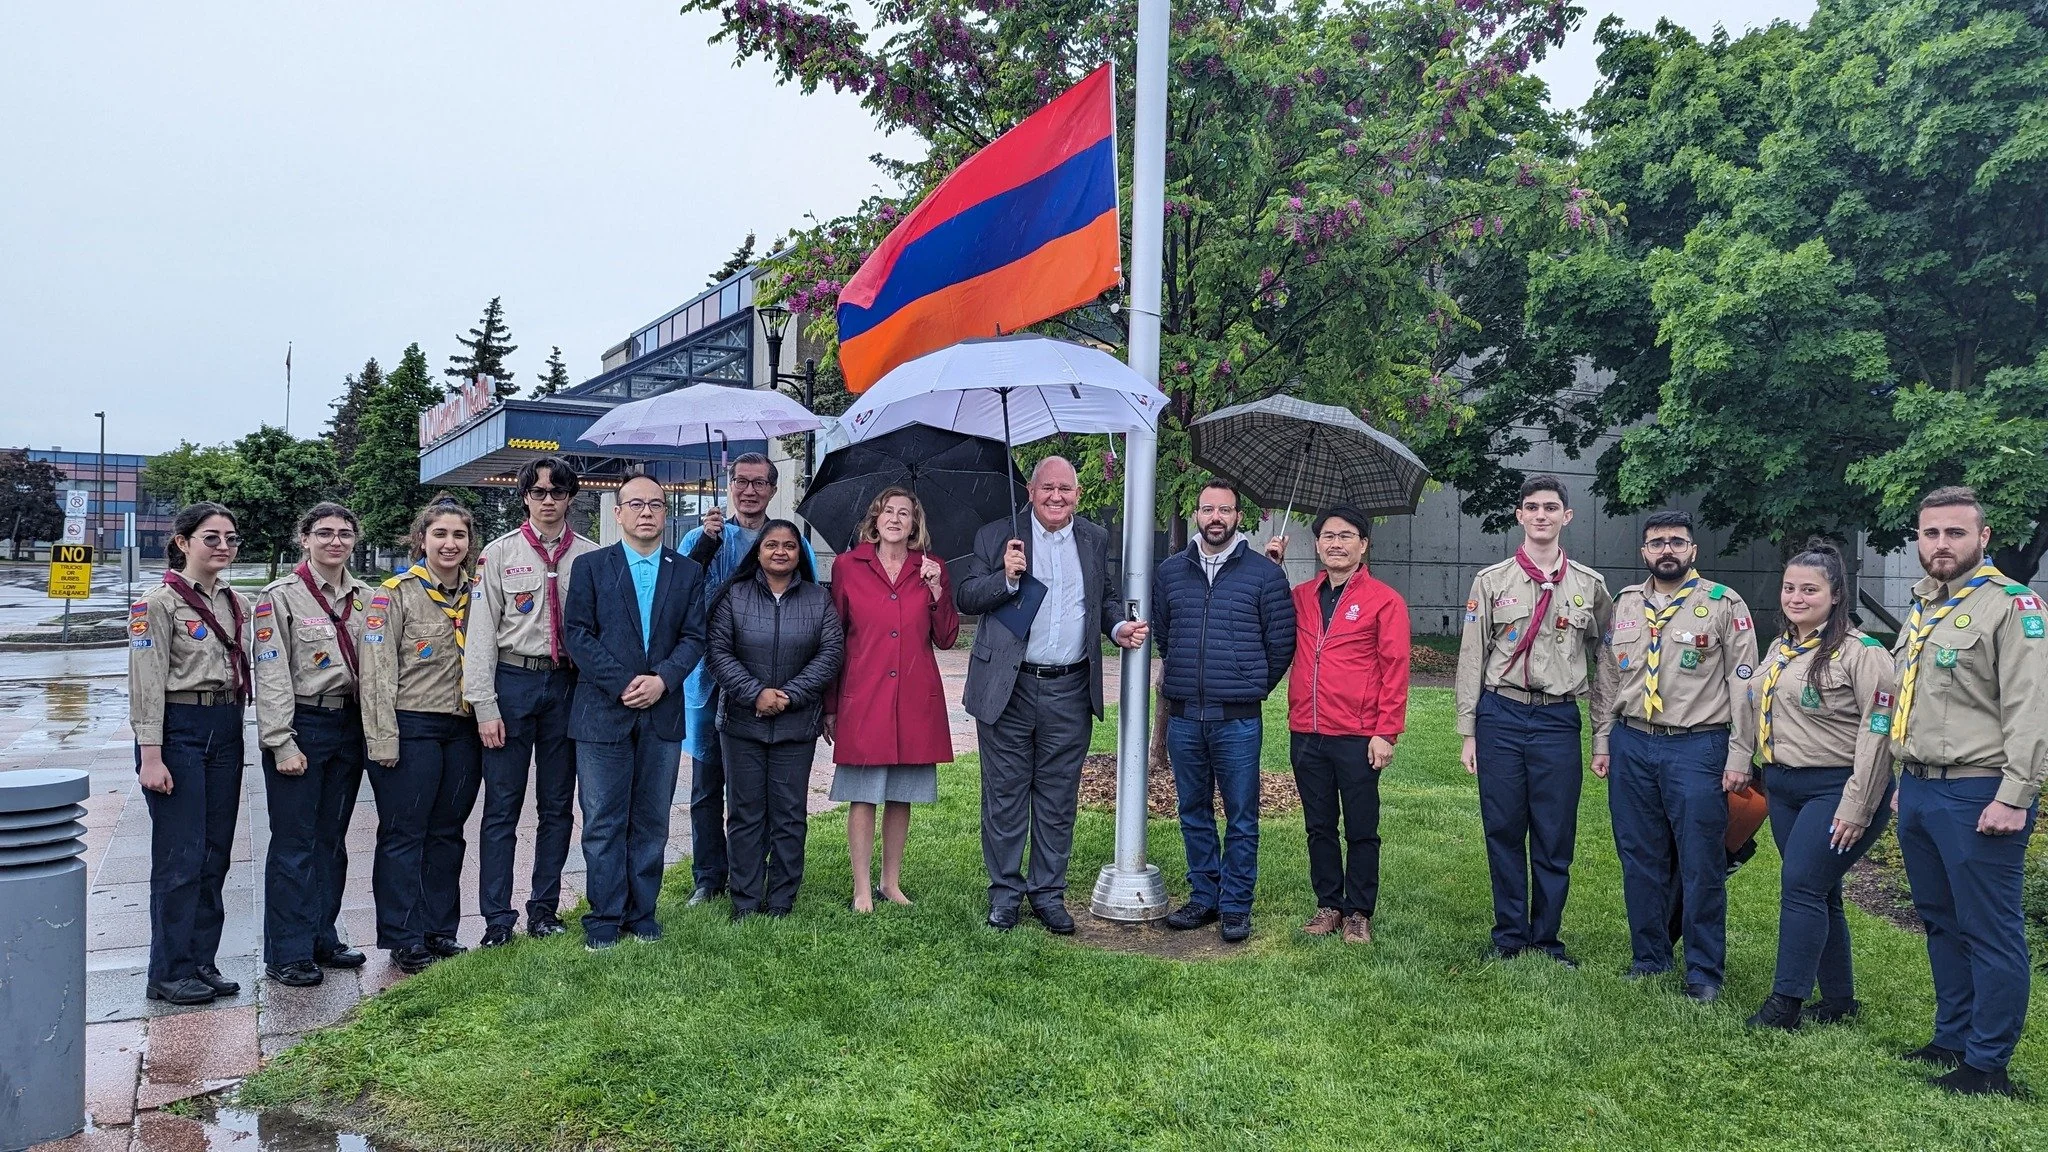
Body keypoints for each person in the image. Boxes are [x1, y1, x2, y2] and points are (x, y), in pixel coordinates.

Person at [1889, 486, 2047, 1097]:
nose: (1940, 545)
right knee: (1939, 921)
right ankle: (1951, 1037)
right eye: (1930, 534)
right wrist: (1908, 779)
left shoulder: (2012, 605)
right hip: (1923, 789)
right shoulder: (1925, 607)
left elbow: (2031, 708)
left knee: (1990, 929)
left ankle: (1987, 1063)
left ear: (1983, 538)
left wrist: (2015, 794)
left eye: (1955, 533)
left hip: (1981, 791)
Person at [955, 457, 1147, 933]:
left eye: (1066, 488)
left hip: (1069, 688)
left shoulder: (1094, 538)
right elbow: (966, 598)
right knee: (1004, 796)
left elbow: (1100, 600)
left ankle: (1047, 893)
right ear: (1030, 490)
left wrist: (1118, 626)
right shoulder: (998, 536)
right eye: (1048, 488)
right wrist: (1006, 577)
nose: (1057, 496)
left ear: (1078, 494)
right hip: (1010, 688)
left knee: (1059, 798)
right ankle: (1005, 895)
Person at [1591, 510, 1759, 1003]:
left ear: (1693, 551)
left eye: (1677, 542)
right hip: (1632, 742)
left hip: (1697, 745)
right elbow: (1605, 681)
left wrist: (1740, 752)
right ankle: (1649, 956)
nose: (1668, 550)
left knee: (1701, 860)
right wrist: (1602, 741)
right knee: (1639, 856)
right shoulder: (1623, 605)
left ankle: (1704, 970)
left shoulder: (1724, 604)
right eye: (1657, 542)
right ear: (1644, 551)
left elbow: (1744, 683)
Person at [1454, 475, 1613, 965]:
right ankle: (1508, 937)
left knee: (1553, 832)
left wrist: (1601, 734)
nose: (1540, 515)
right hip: (1501, 714)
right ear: (1519, 516)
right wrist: (1468, 730)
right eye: (1531, 507)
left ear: (1567, 517)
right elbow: (1471, 657)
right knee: (1502, 828)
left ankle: (1546, 938)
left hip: (1557, 718)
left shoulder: (1590, 586)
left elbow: (1607, 660)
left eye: (1550, 508)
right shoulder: (1492, 581)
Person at [1742, 540, 1896, 1032]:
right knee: (1822, 891)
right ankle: (1839, 1001)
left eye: (1810, 589)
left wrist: (1857, 804)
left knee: (1802, 886)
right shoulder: (1780, 647)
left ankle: (1784, 1004)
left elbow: (1879, 731)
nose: (1796, 597)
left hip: (1836, 789)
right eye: (1790, 588)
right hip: (1784, 785)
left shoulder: (1863, 653)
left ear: (1836, 595)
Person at [562, 474, 708, 949]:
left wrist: (663, 679)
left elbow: (694, 637)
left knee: (651, 820)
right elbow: (577, 634)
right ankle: (604, 918)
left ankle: (641, 914)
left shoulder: (686, 571)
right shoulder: (590, 567)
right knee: (603, 818)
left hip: (662, 713)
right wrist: (625, 683)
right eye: (636, 504)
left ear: (665, 514)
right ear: (618, 513)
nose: (647, 512)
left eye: (656, 505)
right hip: (603, 711)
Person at [464, 456, 598, 946]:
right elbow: (480, 633)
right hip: (513, 683)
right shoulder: (499, 554)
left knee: (558, 804)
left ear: (570, 498)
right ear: (525, 497)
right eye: (539, 492)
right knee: (501, 806)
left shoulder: (590, 554)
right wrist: (483, 704)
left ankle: (543, 909)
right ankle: (497, 918)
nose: (548, 500)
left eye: (557, 492)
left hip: (566, 687)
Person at [1152, 479, 1293, 943]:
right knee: (1192, 810)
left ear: (1238, 517)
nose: (1216, 517)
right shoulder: (1171, 572)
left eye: (1225, 510)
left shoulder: (1265, 575)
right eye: (1208, 509)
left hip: (1238, 719)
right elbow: (1166, 636)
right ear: (1196, 513)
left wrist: (1248, 684)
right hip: (1185, 717)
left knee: (1241, 815)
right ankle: (1204, 897)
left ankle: (1235, 905)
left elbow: (1280, 645)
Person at [128, 502, 250, 1005]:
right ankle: (169, 969)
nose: (223, 546)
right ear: (182, 542)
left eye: (230, 538)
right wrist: (150, 755)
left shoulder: (234, 601)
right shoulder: (156, 604)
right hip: (178, 730)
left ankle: (201, 960)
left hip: (224, 725)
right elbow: (146, 683)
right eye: (211, 538)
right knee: (180, 856)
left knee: (215, 853)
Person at [678, 453, 812, 906]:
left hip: (770, 681)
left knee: (762, 787)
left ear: (773, 490)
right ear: (729, 484)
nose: (750, 490)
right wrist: (706, 547)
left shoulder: (788, 541)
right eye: (741, 481)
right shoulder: (701, 536)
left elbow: (808, 602)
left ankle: (763, 872)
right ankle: (708, 874)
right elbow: (676, 598)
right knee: (706, 782)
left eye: (760, 483)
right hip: (708, 676)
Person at [251, 502, 374, 987]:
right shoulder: (279, 597)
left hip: (349, 725)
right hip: (302, 722)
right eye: (324, 533)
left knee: (332, 840)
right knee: (294, 844)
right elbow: (271, 671)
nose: (335, 542)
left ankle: (323, 935)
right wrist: (280, 740)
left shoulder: (366, 598)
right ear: (305, 539)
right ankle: (288, 952)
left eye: (345, 533)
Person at [361, 497, 484, 974]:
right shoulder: (394, 594)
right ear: (422, 539)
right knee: (403, 833)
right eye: (440, 535)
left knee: (448, 833)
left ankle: (440, 928)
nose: (449, 544)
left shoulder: (478, 593)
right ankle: (404, 935)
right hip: (412, 726)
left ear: (469, 542)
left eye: (458, 535)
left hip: (463, 727)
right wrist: (382, 739)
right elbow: (376, 673)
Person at [824, 487, 959, 913]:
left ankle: (890, 883)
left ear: (915, 523)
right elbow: (834, 640)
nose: (896, 519)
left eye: (905, 513)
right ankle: (862, 888)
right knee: (863, 793)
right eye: (888, 512)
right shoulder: (848, 566)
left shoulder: (932, 569)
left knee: (901, 793)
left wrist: (938, 594)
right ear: (875, 519)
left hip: (914, 698)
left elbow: (947, 637)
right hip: (863, 695)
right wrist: (830, 705)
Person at [1279, 506, 1409, 945]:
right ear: (1317, 544)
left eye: (1347, 536)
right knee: (1319, 824)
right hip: (1308, 729)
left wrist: (1385, 731)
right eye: (1329, 536)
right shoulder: (1301, 595)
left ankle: (1358, 912)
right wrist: (1271, 564)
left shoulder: (1384, 600)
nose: (1337, 543)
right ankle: (1328, 905)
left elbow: (1395, 668)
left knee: (1360, 827)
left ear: (1363, 544)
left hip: (1357, 733)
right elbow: (1264, 602)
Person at [707, 521, 844, 919]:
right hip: (742, 723)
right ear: (759, 552)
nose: (780, 552)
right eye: (771, 545)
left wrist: (788, 696)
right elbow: (718, 652)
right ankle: (745, 901)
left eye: (789, 545)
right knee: (746, 813)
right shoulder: (734, 595)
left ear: (800, 553)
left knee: (788, 815)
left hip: (795, 725)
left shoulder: (818, 600)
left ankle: (782, 900)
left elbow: (830, 653)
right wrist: (755, 694)